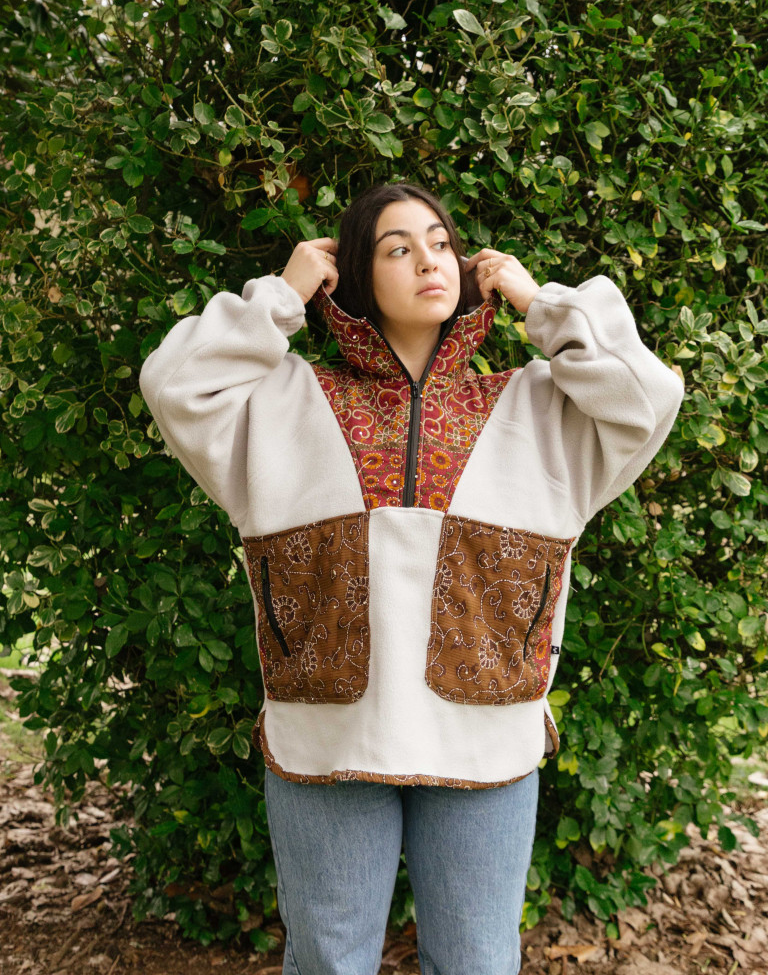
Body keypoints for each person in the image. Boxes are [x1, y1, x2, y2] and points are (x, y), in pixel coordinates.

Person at [139, 183, 683, 975]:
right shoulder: (282, 405)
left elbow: (649, 394)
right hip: (326, 742)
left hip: (487, 744)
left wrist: (541, 305)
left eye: (440, 243)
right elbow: (173, 383)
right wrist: (281, 296)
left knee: (478, 964)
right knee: (328, 963)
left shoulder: (543, 411)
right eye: (398, 248)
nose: (429, 260)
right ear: (357, 276)